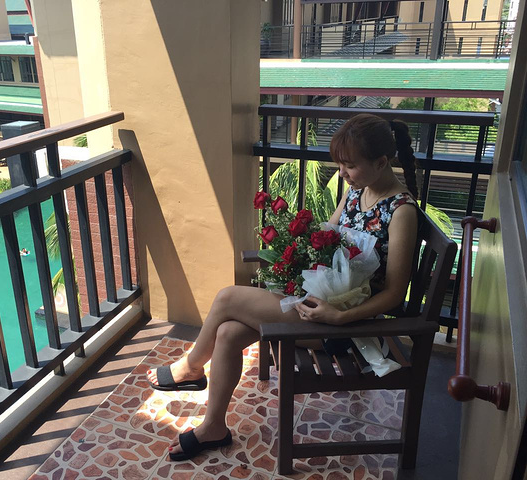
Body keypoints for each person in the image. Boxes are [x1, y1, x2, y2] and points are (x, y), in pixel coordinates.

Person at [147, 113, 420, 461]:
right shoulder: (357, 192)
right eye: (340, 164)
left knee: (227, 297)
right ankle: (213, 427)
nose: (342, 173)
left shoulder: (401, 212)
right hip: (319, 303)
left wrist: (337, 317)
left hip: (348, 326)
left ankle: (191, 368)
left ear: (381, 162)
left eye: (350, 166)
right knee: (228, 332)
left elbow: (394, 294)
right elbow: (327, 239)